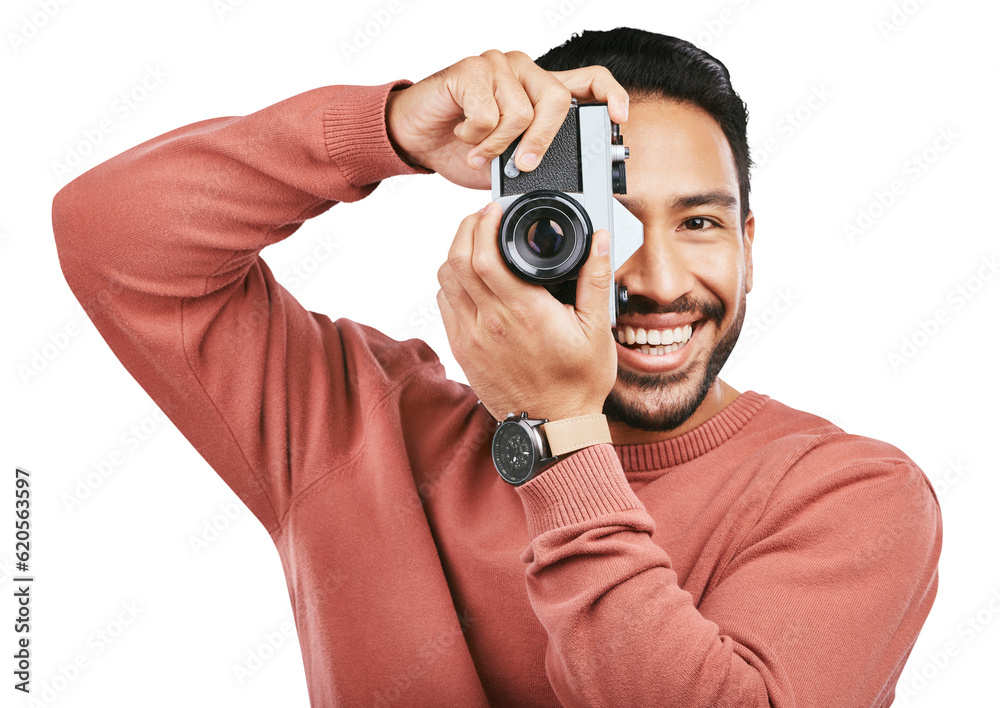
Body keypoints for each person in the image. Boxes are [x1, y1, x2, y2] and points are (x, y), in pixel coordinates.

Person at [52, 27, 941, 708]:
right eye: (608, 221)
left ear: (749, 244)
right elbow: (111, 231)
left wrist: (558, 439)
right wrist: (390, 128)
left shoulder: (854, 496)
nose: (660, 281)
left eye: (700, 225)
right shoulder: (361, 428)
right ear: (527, 227)